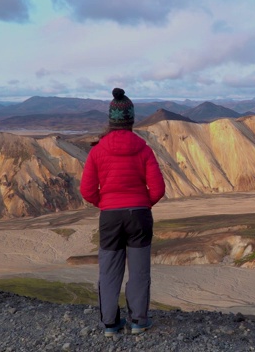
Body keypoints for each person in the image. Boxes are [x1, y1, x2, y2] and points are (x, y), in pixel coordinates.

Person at [80, 87, 166, 337]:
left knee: (108, 270)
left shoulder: (97, 150)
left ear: (111, 120)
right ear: (131, 119)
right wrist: (143, 203)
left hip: (110, 216)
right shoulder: (143, 148)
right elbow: (158, 189)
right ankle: (139, 321)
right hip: (139, 215)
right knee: (139, 271)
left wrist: (105, 204)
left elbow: (87, 191)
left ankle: (110, 324)